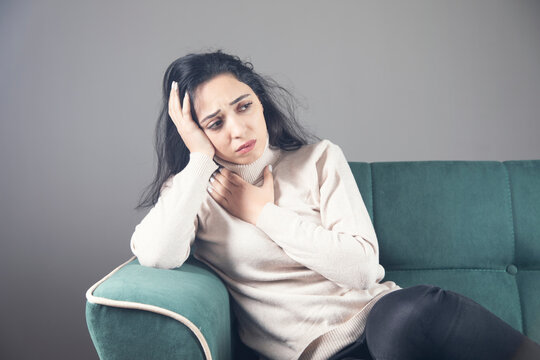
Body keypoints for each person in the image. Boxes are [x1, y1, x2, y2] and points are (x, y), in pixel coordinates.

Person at [131, 50, 540, 360]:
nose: (239, 129)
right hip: (310, 354)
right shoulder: (195, 192)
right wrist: (200, 160)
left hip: (383, 327)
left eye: (244, 106)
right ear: (193, 133)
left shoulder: (317, 159)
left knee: (413, 313)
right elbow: (155, 253)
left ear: (260, 102)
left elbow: (363, 269)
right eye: (215, 123)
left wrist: (262, 213)